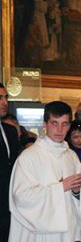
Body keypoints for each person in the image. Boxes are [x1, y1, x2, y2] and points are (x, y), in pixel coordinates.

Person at [9, 101, 81, 241]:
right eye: (54, 123)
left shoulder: (70, 156)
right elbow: (21, 198)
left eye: (64, 124)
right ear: (45, 124)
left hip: (68, 232)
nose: (59, 129)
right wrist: (60, 188)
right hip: (40, 234)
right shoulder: (29, 157)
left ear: (69, 126)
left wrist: (77, 192)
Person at [0, 84, 21, 241]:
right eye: (0, 98)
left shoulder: (10, 131)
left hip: (9, 204)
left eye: (6, 98)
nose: (4, 102)